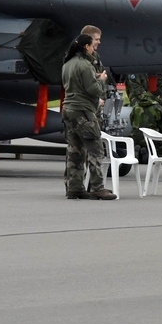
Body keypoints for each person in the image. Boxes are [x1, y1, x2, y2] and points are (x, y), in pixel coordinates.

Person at [62, 33, 115, 200]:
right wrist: (102, 80)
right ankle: (98, 187)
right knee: (95, 149)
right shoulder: (85, 65)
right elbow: (93, 89)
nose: (94, 48)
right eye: (93, 45)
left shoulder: (67, 64)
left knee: (75, 150)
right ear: (86, 47)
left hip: (68, 109)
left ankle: (75, 187)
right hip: (83, 111)